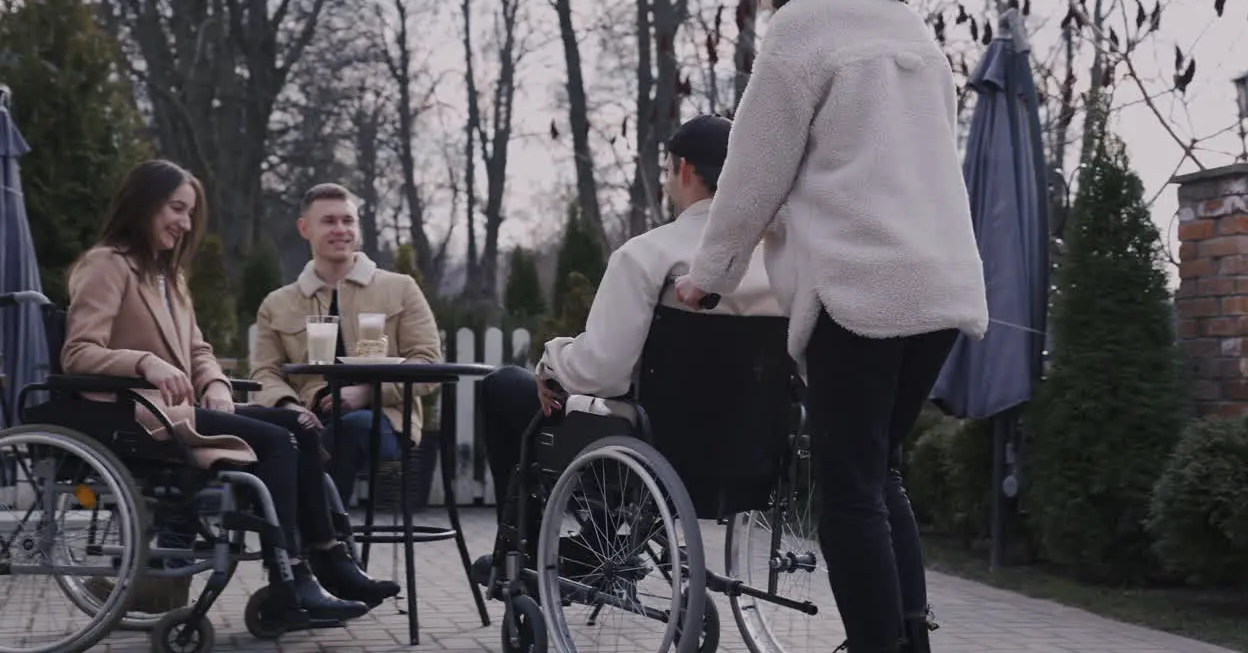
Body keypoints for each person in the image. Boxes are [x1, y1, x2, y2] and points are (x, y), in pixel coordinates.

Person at [671, 0, 989, 651]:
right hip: (939, 283)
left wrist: (709, 277)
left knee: (848, 491)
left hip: (861, 286)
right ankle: (909, 641)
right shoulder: (910, 29)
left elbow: (752, 172)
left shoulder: (802, 29)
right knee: (880, 475)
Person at [62, 161, 398, 621]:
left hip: (184, 407)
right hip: (139, 411)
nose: (184, 223)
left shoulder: (168, 275)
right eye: (176, 209)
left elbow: (198, 349)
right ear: (144, 205)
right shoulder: (107, 264)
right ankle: (291, 579)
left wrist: (217, 384)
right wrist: (145, 362)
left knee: (298, 423)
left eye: (189, 213)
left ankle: (328, 558)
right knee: (279, 439)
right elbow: (79, 352)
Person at [472, 114, 782, 580]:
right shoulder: (780, 260)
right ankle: (595, 541)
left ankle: (525, 548)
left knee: (504, 388)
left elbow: (601, 371)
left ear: (682, 169)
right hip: (751, 449)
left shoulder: (649, 254)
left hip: (654, 444)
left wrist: (552, 360)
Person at [251, 183, 443, 509]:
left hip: (385, 422)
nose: (341, 229)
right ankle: (303, 545)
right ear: (304, 228)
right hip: (307, 418)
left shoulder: (400, 289)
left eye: (348, 221)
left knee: (346, 429)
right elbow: (263, 373)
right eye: (329, 221)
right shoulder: (278, 304)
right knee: (285, 435)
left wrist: (368, 393)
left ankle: (323, 542)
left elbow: (428, 364)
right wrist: (288, 407)